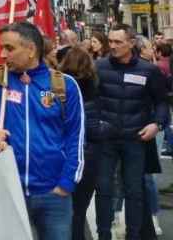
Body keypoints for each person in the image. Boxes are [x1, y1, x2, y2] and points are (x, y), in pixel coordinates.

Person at [0, 21, 84, 240]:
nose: (3, 54)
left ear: (31, 49)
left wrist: (65, 184)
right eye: (1, 48)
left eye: (9, 48)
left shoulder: (65, 85)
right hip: (6, 191)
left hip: (52, 193)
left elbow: (76, 138)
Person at [94, 24, 168, 240]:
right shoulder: (99, 67)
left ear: (131, 43)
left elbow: (162, 103)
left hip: (135, 139)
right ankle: (104, 235)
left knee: (135, 191)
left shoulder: (149, 70)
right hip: (106, 139)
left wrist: (157, 124)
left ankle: (134, 235)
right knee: (104, 189)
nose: (113, 46)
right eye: (110, 41)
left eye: (118, 42)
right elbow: (89, 99)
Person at [61, 46, 107, 240]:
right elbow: (95, 129)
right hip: (89, 154)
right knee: (79, 211)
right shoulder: (96, 88)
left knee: (60, 211)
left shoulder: (57, 87)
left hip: (62, 153)